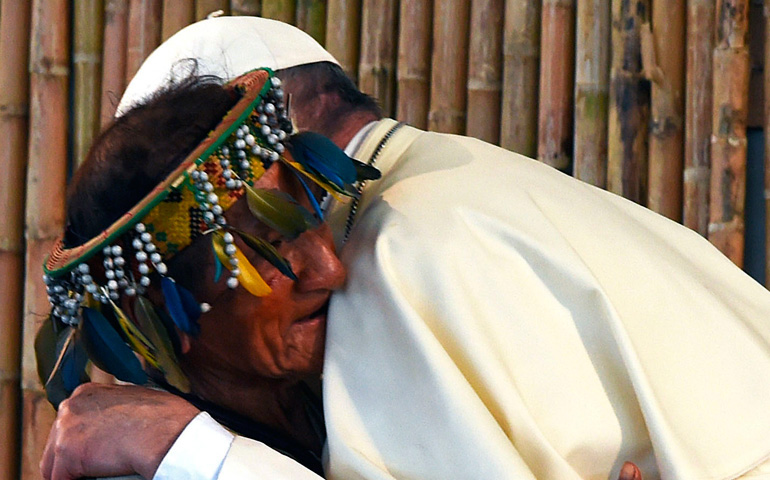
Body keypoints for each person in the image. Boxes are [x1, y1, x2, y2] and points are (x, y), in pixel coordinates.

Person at [41, 15, 770, 480]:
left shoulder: (397, 244)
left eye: (316, 214)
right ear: (159, 308)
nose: (331, 268)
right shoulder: (133, 463)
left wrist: (195, 450)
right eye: (270, 246)